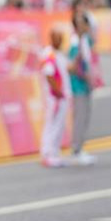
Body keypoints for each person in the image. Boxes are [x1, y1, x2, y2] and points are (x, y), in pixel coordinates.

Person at [39, 29, 72, 168]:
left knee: (58, 125)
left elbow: (68, 69)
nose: (60, 41)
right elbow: (48, 74)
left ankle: (54, 153)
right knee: (53, 125)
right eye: (58, 38)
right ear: (52, 39)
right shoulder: (50, 54)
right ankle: (48, 154)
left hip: (60, 96)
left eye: (61, 38)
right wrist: (57, 92)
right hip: (55, 97)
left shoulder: (58, 55)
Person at [68, 12, 97, 166]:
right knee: (79, 118)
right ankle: (76, 151)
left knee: (85, 117)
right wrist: (85, 76)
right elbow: (72, 66)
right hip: (78, 85)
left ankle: (80, 148)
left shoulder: (85, 41)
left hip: (86, 85)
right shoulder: (74, 43)